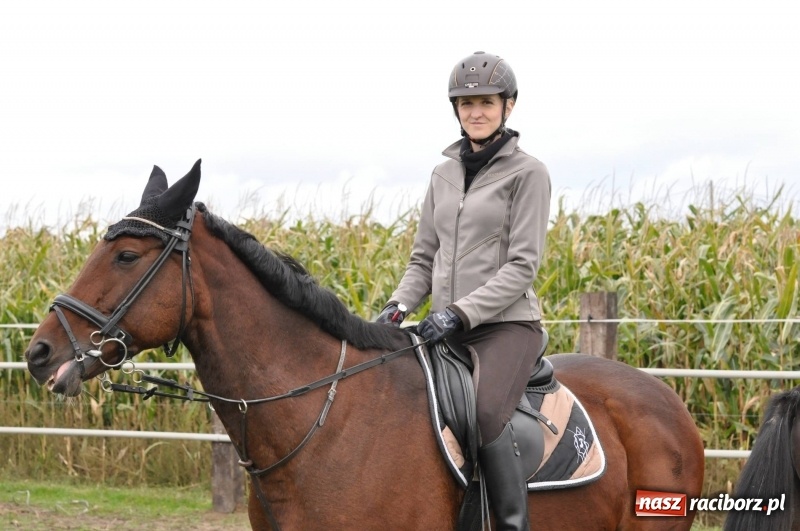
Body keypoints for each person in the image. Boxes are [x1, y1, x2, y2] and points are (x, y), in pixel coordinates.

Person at [376, 51, 550, 530]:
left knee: (487, 413)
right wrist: (397, 306)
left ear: (508, 107)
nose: (476, 111)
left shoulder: (528, 173)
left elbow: (522, 266)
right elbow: (422, 258)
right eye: (466, 102)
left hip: (506, 327)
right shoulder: (443, 174)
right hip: (443, 326)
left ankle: (511, 523)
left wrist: (459, 313)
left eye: (486, 102)